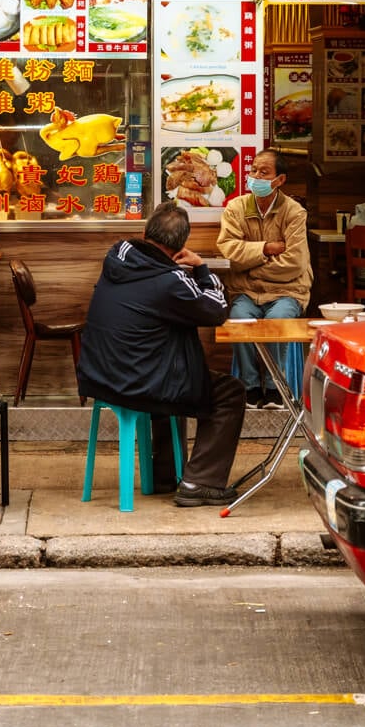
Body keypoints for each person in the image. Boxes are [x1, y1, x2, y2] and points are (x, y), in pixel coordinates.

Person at [76, 202, 246, 507]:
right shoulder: (170, 281)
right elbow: (216, 309)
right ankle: (200, 482)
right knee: (229, 391)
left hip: (99, 376)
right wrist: (202, 267)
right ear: (180, 247)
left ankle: (164, 473)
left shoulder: (115, 257)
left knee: (171, 370)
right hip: (138, 382)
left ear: (144, 233)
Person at [215, 148, 311, 407]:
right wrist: (266, 249)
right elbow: (229, 251)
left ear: (280, 180)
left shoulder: (294, 212)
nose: (256, 176)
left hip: (287, 290)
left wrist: (250, 265)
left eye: (264, 172)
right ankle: (250, 386)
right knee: (240, 321)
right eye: (254, 170)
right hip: (246, 291)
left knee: (276, 321)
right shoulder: (235, 208)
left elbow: (295, 263)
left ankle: (274, 387)